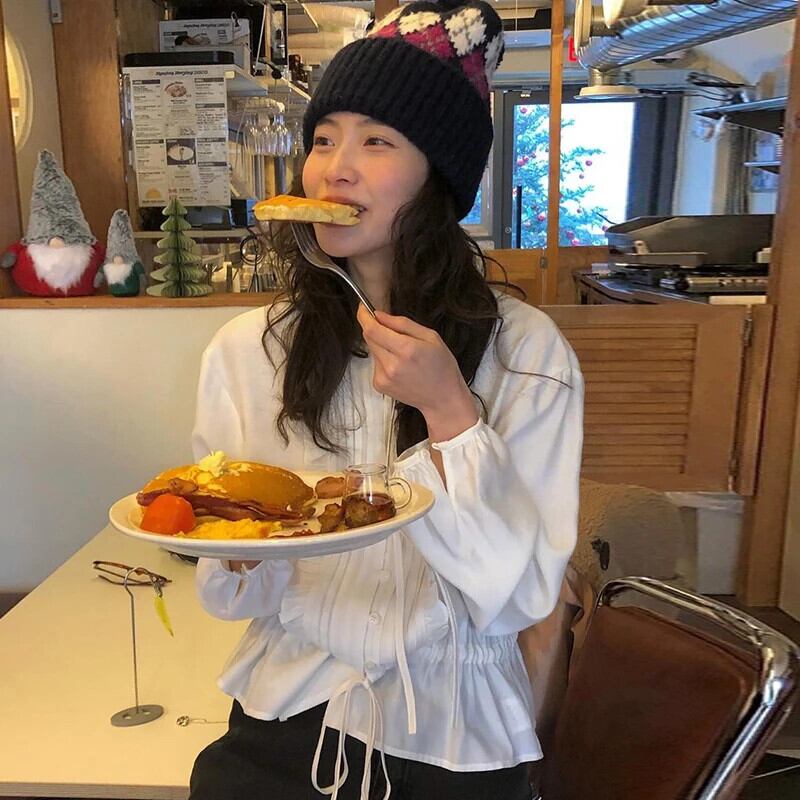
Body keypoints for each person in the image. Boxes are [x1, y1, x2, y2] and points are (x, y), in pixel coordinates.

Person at [188, 1, 584, 798]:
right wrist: (237, 545)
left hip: (453, 733)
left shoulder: (527, 353)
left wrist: (451, 414)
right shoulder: (247, 351)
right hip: (285, 713)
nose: (336, 168)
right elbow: (235, 595)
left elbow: (517, 599)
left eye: (377, 142)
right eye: (324, 139)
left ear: (438, 176)